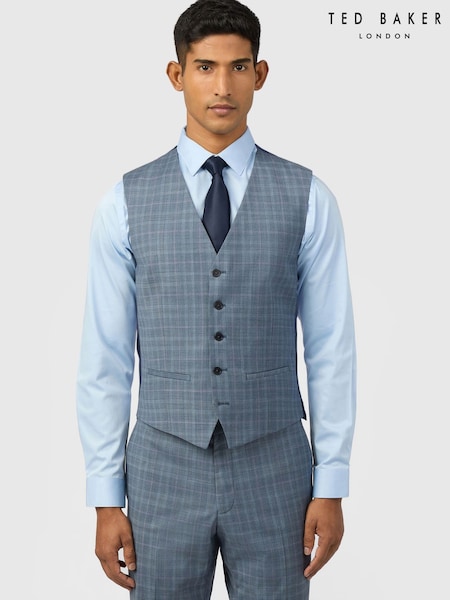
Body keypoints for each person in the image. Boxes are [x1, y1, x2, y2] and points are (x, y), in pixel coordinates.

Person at [76, 1, 357, 598]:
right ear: (177, 75)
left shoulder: (309, 197)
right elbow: (106, 359)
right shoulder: (124, 202)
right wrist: (105, 497)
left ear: (260, 74)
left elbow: (331, 348)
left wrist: (331, 484)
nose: (222, 87)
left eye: (238, 67)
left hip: (277, 466)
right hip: (162, 467)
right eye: (205, 67)